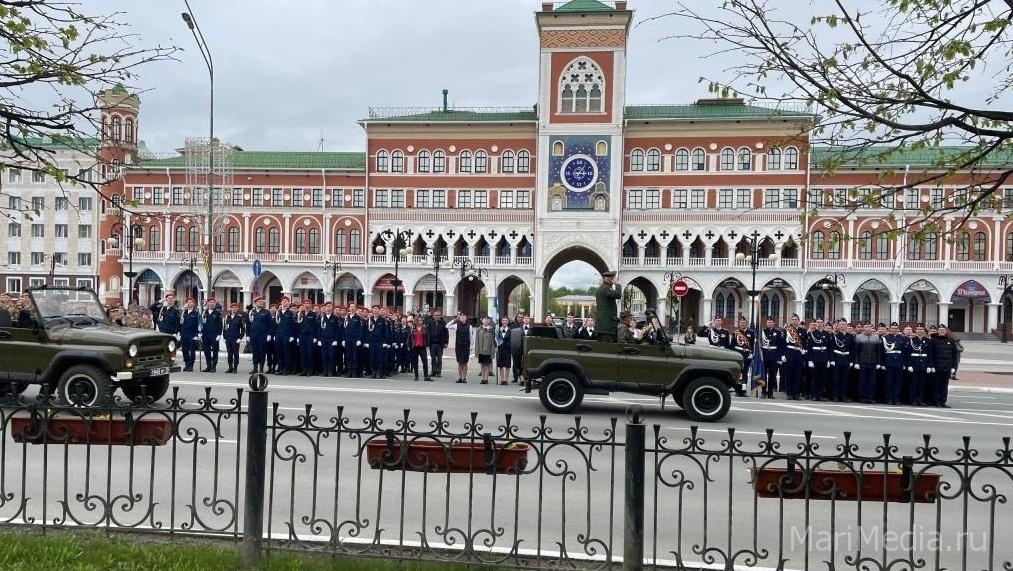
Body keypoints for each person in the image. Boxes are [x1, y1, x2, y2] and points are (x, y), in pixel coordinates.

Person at [852, 322, 883, 404]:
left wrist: (879, 363)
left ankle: (870, 397)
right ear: (863, 328)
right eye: (866, 327)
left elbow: (878, 351)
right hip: (862, 362)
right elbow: (856, 351)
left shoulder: (876, 337)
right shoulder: (859, 337)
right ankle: (862, 397)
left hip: (873, 362)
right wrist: (856, 362)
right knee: (862, 381)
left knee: (872, 381)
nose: (868, 328)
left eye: (869, 327)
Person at [928, 324, 958, 407]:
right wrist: (931, 366)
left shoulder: (951, 341)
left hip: (947, 367)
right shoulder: (933, 340)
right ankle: (936, 401)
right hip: (937, 367)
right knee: (937, 385)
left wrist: (954, 367)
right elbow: (931, 354)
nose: (941, 331)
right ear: (938, 331)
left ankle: (943, 401)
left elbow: (954, 355)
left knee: (944, 386)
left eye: (943, 330)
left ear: (946, 331)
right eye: (940, 330)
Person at [882, 322, 908, 405]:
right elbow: (882, 352)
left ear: (898, 329)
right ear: (890, 329)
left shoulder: (902, 338)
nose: (894, 330)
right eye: (893, 328)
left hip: (899, 362)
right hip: (889, 362)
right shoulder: (885, 338)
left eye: (896, 328)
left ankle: (896, 398)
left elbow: (905, 352)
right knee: (889, 381)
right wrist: (883, 363)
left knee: (898, 382)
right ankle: (889, 398)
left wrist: (904, 363)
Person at [907, 324, 933, 406]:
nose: (919, 330)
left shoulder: (928, 341)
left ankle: (920, 400)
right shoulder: (912, 340)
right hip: (914, 364)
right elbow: (908, 354)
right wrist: (909, 365)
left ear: (924, 331)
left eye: (921, 329)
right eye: (918, 329)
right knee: (914, 383)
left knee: (922, 384)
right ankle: (913, 400)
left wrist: (929, 365)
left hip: (923, 364)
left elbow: (930, 354)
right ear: (916, 331)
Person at [759, 317, 785, 398]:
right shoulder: (762, 332)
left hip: (774, 355)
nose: (769, 323)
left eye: (771, 322)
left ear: (774, 323)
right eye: (768, 322)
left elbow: (780, 346)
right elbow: (759, 344)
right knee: (763, 375)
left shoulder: (778, 332)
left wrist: (779, 358)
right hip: (764, 355)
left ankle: (770, 393)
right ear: (766, 323)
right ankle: (763, 392)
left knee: (772, 375)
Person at [829, 319, 854, 402]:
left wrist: (851, 361)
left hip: (846, 359)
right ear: (838, 326)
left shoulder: (850, 336)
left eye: (843, 324)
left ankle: (843, 396)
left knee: (844, 379)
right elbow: (831, 349)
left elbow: (852, 350)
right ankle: (835, 396)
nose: (842, 326)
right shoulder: (835, 336)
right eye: (840, 324)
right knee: (836, 379)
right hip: (837, 359)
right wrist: (832, 360)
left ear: (846, 325)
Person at [806, 318, 830, 401]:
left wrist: (829, 360)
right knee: (815, 378)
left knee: (823, 378)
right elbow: (809, 348)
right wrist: (810, 360)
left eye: (821, 322)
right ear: (815, 324)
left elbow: (829, 348)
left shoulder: (826, 334)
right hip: (815, 358)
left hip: (824, 358)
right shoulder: (812, 334)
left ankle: (821, 395)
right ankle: (814, 395)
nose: (819, 324)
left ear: (823, 324)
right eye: (818, 322)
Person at [782, 316, 805, 400]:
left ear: (798, 321)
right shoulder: (787, 330)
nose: (794, 321)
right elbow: (783, 343)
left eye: (796, 319)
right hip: (789, 353)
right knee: (789, 375)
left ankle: (796, 394)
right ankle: (789, 393)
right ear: (791, 321)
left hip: (798, 354)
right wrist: (783, 354)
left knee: (797, 375)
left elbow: (805, 343)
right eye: (793, 320)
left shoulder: (803, 331)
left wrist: (804, 350)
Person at [595, 271, 621, 343]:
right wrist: (617, 284)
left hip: (603, 326)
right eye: (613, 278)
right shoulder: (606, 288)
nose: (614, 280)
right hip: (607, 326)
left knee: (603, 346)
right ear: (610, 279)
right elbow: (618, 294)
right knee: (607, 347)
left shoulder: (602, 288)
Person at [248, 296, 272, 374]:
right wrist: (248, 335)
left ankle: (261, 368)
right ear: (255, 303)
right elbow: (248, 324)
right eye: (259, 302)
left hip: (263, 335)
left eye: (262, 302)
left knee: (262, 352)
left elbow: (270, 324)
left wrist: (269, 334)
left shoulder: (266, 312)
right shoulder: (251, 312)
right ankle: (255, 368)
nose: (261, 303)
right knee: (255, 352)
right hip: (253, 335)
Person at [449, 312, 474, 383]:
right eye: (461, 317)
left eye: (464, 317)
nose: (462, 318)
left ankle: (464, 378)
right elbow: (447, 326)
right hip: (458, 346)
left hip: (466, 347)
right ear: (459, 318)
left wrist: (471, 347)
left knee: (465, 363)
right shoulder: (456, 325)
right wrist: (455, 320)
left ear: (466, 318)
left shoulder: (469, 326)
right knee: (459, 362)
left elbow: (471, 338)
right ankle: (460, 378)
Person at [223, 302, 247, 374]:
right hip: (228, 338)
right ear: (230, 309)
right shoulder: (227, 317)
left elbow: (243, 329)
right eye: (233, 308)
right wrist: (224, 337)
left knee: (235, 353)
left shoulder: (240, 318)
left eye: (236, 308)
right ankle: (230, 367)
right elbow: (225, 328)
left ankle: (235, 367)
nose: (234, 309)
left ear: (237, 309)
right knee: (229, 353)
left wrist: (240, 338)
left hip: (235, 338)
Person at [201, 298, 223, 373]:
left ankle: (214, 367)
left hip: (214, 335)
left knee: (214, 351)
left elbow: (220, 324)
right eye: (210, 302)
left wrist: (219, 334)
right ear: (207, 303)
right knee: (206, 351)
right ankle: (208, 366)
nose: (212, 304)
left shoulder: (217, 312)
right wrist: (200, 332)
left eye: (213, 302)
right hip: (205, 334)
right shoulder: (204, 312)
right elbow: (201, 323)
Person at [275, 297, 296, 375]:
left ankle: (287, 369)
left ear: (288, 303)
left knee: (286, 352)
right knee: (279, 352)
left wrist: (292, 336)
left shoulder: (290, 313)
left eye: (286, 301)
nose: (284, 302)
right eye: (283, 301)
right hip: (279, 335)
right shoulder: (278, 312)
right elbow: (276, 324)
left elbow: (292, 325)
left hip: (286, 335)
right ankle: (281, 368)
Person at [426, 308, 449, 378]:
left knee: (439, 359)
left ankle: (439, 372)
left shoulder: (443, 323)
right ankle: (433, 371)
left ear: (440, 316)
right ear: (433, 316)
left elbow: (446, 334)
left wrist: (446, 342)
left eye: (438, 315)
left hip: (440, 344)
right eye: (435, 315)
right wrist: (427, 344)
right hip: (432, 344)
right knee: (433, 359)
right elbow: (428, 334)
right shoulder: (430, 323)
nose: (437, 316)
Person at [179, 298, 200, 372]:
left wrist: (197, 334)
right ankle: (187, 364)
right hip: (184, 334)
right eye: (188, 302)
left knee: (192, 351)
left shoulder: (196, 313)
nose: (189, 303)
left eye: (191, 302)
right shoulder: (183, 313)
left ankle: (191, 366)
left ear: (193, 304)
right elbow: (180, 323)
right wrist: (179, 332)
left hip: (192, 334)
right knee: (184, 351)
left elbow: (199, 325)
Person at [475, 315, 495, 384]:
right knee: (482, 365)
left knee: (487, 365)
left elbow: (493, 342)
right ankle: (482, 378)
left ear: (489, 321)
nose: (486, 321)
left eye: (487, 319)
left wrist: (493, 352)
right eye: (484, 319)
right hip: (481, 350)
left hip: (488, 350)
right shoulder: (479, 329)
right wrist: (477, 351)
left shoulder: (491, 330)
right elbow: (477, 341)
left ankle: (486, 379)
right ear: (482, 320)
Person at [409, 317, 431, 381]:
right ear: (416, 321)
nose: (420, 321)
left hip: (422, 347)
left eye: (421, 320)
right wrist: (409, 346)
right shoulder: (413, 329)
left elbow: (427, 337)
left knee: (425, 362)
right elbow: (410, 338)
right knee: (415, 362)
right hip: (415, 347)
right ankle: (416, 376)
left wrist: (427, 345)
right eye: (419, 320)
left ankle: (426, 376)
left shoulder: (424, 328)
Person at [495, 316, 512, 385]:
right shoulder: (498, 330)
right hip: (500, 349)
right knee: (501, 365)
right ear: (501, 322)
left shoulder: (510, 330)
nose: (504, 321)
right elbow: (496, 339)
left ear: (508, 322)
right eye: (503, 320)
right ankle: (502, 379)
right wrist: (496, 346)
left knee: (507, 365)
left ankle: (506, 379)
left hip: (508, 349)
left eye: (506, 320)